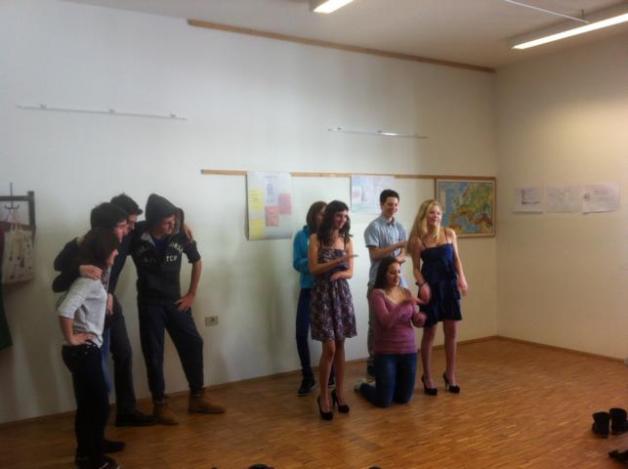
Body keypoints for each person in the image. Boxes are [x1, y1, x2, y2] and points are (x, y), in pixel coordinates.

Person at [52, 199, 154, 427]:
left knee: (124, 353)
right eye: (126, 224)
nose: (130, 229)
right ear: (108, 227)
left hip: (109, 304)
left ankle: (125, 412)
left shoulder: (126, 235)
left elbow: (155, 220)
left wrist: (180, 222)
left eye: (131, 224)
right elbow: (58, 274)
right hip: (91, 314)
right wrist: (80, 269)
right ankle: (97, 423)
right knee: (97, 369)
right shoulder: (86, 244)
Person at [130, 193, 224, 425]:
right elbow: (124, 227)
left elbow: (197, 261)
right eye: (167, 222)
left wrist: (191, 294)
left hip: (175, 302)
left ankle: (197, 397)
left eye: (174, 220)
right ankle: (160, 405)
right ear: (153, 220)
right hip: (149, 304)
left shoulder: (180, 233)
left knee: (193, 343)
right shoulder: (136, 234)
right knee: (154, 354)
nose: (172, 225)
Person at [57, 228, 121, 469]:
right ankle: (95, 462)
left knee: (88, 408)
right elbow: (65, 308)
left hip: (81, 351)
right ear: (104, 251)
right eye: (114, 249)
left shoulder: (93, 276)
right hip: (83, 351)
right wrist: (72, 338)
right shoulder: (89, 280)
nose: (117, 252)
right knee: (98, 408)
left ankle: (85, 457)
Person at [408, 199, 468, 395]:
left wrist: (462, 278)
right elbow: (416, 269)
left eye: (438, 213)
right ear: (424, 215)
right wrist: (422, 284)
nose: (435, 216)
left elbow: (456, 259)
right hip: (431, 288)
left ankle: (450, 375)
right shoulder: (418, 240)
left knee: (451, 332)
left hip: (449, 286)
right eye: (431, 213)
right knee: (430, 333)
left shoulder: (449, 233)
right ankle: (427, 376)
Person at [308, 200, 356, 420]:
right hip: (322, 295)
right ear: (330, 216)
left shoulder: (347, 239)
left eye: (345, 216)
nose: (342, 220)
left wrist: (340, 272)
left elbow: (350, 272)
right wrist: (337, 263)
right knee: (329, 348)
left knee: (340, 344)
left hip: (341, 294)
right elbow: (314, 269)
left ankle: (340, 392)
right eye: (339, 215)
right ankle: (324, 395)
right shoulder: (315, 238)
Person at [356, 256, 426, 407]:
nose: (397, 276)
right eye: (392, 272)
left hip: (408, 351)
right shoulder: (377, 294)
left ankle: (386, 385)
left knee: (403, 399)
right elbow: (386, 322)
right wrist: (404, 304)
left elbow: (415, 319)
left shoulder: (406, 292)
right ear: (384, 274)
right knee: (384, 401)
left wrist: (421, 318)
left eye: (399, 272)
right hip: (386, 353)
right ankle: (363, 386)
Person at [363, 189, 407, 381]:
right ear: (381, 205)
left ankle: (395, 358)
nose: (393, 208)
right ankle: (373, 361)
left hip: (398, 283)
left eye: (396, 204)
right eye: (389, 204)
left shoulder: (400, 227)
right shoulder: (373, 227)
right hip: (378, 283)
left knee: (399, 321)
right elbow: (375, 255)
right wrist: (396, 248)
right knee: (375, 324)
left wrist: (398, 256)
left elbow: (404, 254)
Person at [292, 201, 326, 396]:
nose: (323, 217)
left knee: (327, 335)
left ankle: (329, 373)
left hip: (326, 290)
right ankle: (307, 376)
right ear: (313, 215)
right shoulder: (301, 235)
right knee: (300, 333)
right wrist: (314, 260)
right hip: (308, 290)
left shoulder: (332, 235)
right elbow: (297, 263)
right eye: (320, 214)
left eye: (326, 214)